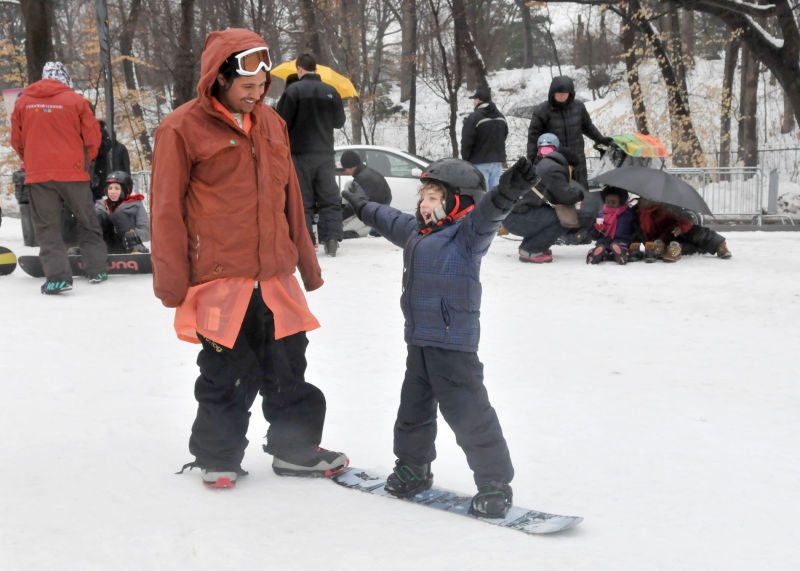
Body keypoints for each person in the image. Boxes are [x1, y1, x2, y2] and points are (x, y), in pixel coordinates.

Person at [150, 28, 347, 488]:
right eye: (247, 88)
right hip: (220, 279)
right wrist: (171, 281)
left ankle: (295, 449)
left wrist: (307, 265)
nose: (256, 95)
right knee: (225, 371)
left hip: (275, 275)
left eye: (262, 88)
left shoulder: (272, 123)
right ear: (218, 79)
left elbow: (291, 198)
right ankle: (218, 457)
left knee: (289, 365)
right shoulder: (180, 128)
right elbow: (164, 209)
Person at [342, 157, 539, 518]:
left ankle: (494, 482)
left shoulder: (467, 235)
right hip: (418, 341)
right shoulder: (419, 232)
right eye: (424, 197)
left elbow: (489, 214)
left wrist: (507, 191)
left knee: (469, 415)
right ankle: (413, 468)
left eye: (434, 197)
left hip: (453, 345)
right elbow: (390, 220)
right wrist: (362, 206)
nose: (424, 204)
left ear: (458, 202)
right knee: (412, 412)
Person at [10, 61, 108, 294]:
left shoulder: (23, 102)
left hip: (39, 176)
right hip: (73, 172)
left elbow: (17, 140)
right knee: (87, 219)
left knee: (47, 227)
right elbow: (93, 138)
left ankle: (57, 278)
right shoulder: (76, 101)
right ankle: (97, 269)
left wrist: (33, 161)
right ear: (64, 78)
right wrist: (85, 162)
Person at [276, 53, 346, 257]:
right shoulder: (331, 91)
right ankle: (332, 239)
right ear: (315, 69)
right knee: (330, 199)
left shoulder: (293, 92)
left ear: (299, 69)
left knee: (302, 200)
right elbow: (339, 122)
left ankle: (306, 240)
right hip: (325, 155)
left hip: (299, 155)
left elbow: (281, 122)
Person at [526, 76, 612, 217]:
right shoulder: (542, 111)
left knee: (582, 192)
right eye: (558, 93)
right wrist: (531, 160)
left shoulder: (578, 107)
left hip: (577, 158)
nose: (561, 96)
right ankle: (565, 226)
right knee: (562, 194)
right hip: (555, 161)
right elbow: (533, 138)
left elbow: (588, 127)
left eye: (564, 93)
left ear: (570, 94)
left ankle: (584, 224)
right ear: (552, 93)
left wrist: (600, 139)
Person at [503, 134, 585, 263]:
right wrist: (580, 193)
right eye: (572, 170)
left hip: (513, 214)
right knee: (565, 218)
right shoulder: (554, 169)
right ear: (569, 165)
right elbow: (566, 197)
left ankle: (530, 246)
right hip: (516, 218)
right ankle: (531, 250)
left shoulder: (546, 164)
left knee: (552, 214)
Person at [631, 197, 732, 263]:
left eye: (647, 198)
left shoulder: (667, 206)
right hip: (660, 243)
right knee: (681, 247)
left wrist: (680, 228)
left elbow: (687, 219)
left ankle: (719, 244)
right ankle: (679, 249)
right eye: (642, 197)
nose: (643, 200)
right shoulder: (635, 211)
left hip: (676, 233)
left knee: (694, 233)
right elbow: (635, 230)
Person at [460, 86, 508, 191]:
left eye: (474, 99)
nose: (473, 102)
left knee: (481, 195)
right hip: (497, 163)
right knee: (495, 196)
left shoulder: (473, 117)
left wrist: (466, 160)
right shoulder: (501, 116)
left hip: (479, 163)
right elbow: (504, 135)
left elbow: (467, 142)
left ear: (478, 100)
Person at [339, 150, 391, 237]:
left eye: (345, 168)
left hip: (375, 214)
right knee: (348, 183)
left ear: (351, 166)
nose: (345, 171)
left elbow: (353, 206)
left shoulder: (361, 180)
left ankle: (372, 228)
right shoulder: (366, 171)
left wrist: (338, 217)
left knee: (341, 231)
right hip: (380, 206)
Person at [95, 171, 149, 253]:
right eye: (110, 188)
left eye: (117, 188)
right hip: (105, 246)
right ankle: (86, 250)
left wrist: (133, 234)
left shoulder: (135, 206)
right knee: (98, 216)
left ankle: (135, 251)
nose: (112, 192)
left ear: (125, 190)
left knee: (120, 214)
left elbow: (146, 231)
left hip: (128, 245)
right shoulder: (100, 206)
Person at [586, 186, 635, 265]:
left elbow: (633, 228)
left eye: (613, 202)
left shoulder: (627, 214)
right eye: (607, 201)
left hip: (621, 241)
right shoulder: (600, 214)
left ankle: (621, 254)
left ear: (620, 202)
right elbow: (592, 234)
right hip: (604, 241)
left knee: (621, 247)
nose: (610, 204)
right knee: (602, 247)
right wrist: (597, 229)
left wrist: (632, 240)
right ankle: (595, 255)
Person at [91, 120, 131, 201]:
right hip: (105, 177)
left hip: (118, 178)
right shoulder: (102, 148)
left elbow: (126, 165)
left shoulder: (121, 148)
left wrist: (127, 180)